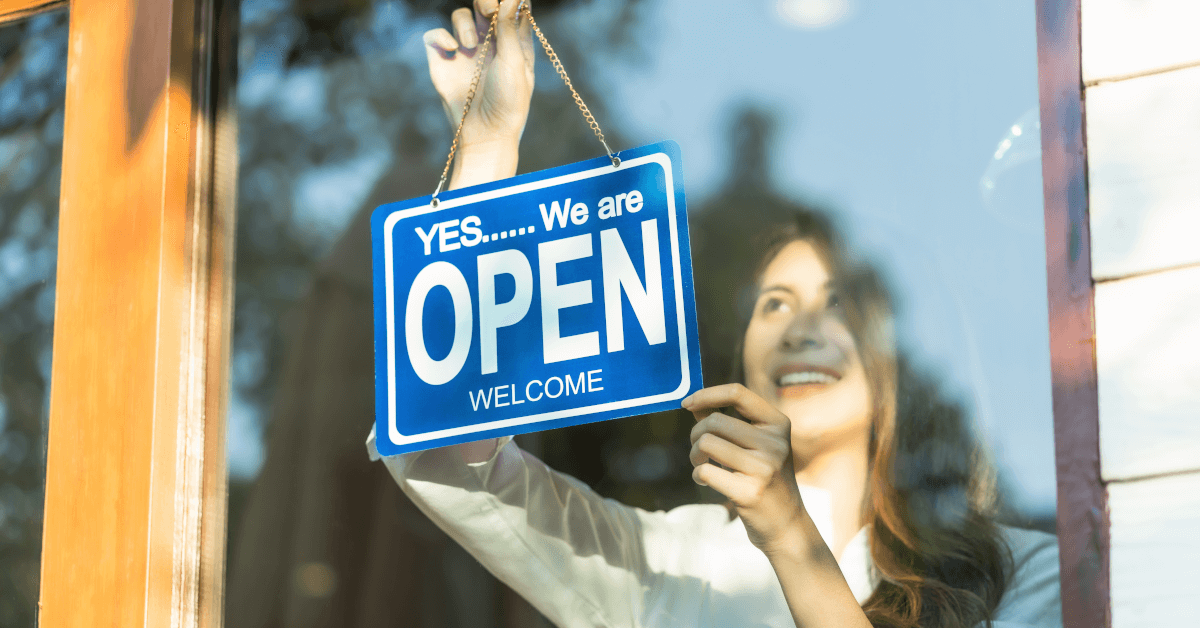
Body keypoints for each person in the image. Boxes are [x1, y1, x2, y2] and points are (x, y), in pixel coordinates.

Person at [368, 1, 1062, 626]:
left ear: (901, 354)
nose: (799, 328)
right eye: (774, 304)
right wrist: (487, 149)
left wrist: (790, 534)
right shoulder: (667, 560)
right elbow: (444, 449)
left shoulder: (1030, 572)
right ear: (743, 366)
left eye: (838, 303)